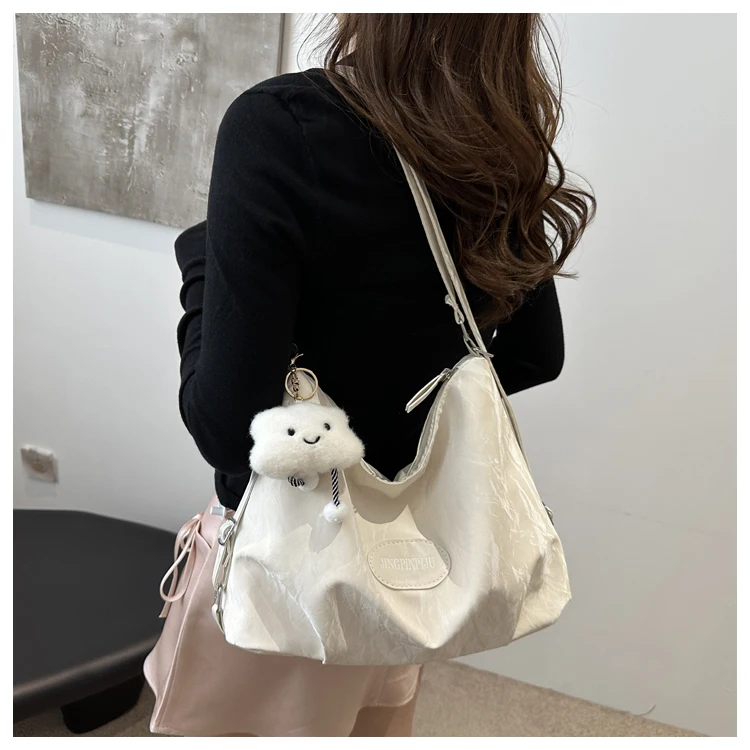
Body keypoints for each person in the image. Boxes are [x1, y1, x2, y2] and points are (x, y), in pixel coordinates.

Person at [173, 13, 594, 737]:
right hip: (418, 568)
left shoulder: (281, 127)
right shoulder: (495, 138)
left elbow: (226, 426)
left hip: (294, 567)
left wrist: (200, 265)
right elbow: (534, 355)